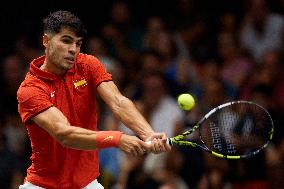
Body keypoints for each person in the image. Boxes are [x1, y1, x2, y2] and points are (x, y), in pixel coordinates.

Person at [17, 10, 171, 189]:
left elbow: (118, 102)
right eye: (66, 40)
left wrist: (147, 133)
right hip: (43, 185)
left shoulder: (88, 65)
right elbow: (64, 133)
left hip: (87, 184)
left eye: (78, 43)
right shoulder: (30, 89)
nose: (73, 49)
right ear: (46, 41)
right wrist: (117, 139)